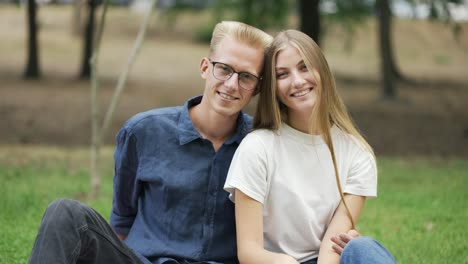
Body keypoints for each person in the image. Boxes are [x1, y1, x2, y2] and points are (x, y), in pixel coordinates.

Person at [29, 21, 272, 264]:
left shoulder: (262, 145)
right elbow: (122, 221)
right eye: (224, 69)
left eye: (246, 77)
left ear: (258, 87)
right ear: (205, 67)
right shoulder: (143, 132)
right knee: (65, 213)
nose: (231, 84)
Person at [224, 30, 396, 264]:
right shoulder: (257, 148)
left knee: (361, 248)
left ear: (322, 70)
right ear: (273, 87)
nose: (297, 81)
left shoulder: (357, 153)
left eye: (304, 67)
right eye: (282, 74)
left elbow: (332, 245)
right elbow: (248, 252)